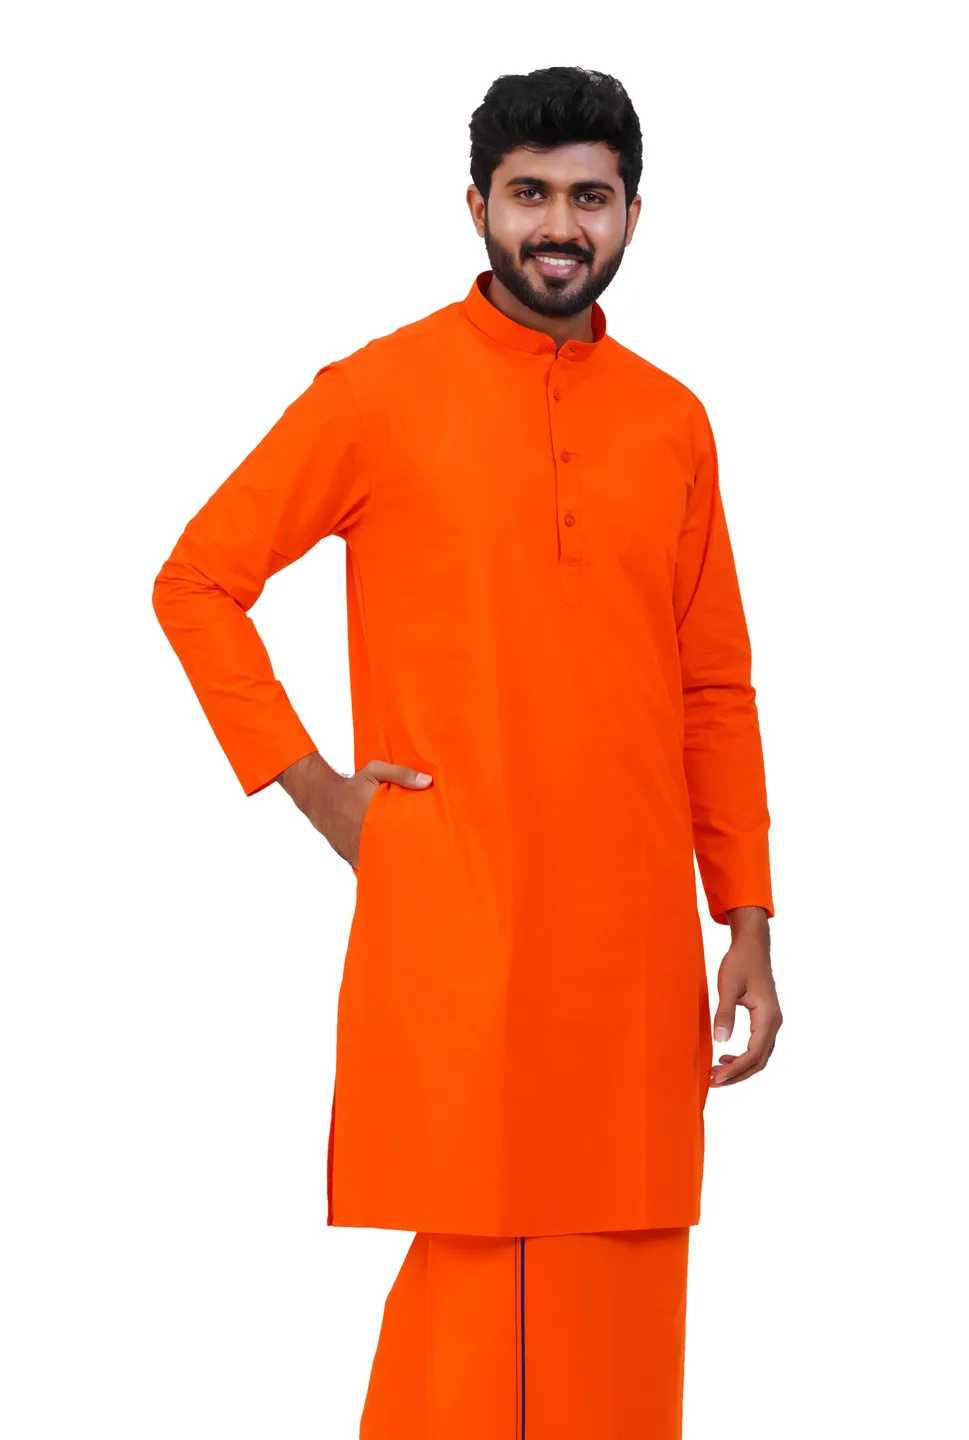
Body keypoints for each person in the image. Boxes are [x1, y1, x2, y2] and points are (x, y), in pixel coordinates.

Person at [152, 63, 783, 1440]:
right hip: (465, 916)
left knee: (624, 1277)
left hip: (633, 941)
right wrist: (320, 793)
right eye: (530, 194)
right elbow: (196, 582)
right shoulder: (378, 394)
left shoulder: (671, 419)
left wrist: (744, 911)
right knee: (478, 1286)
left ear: (632, 213)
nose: (560, 225)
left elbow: (712, 684)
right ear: (478, 207)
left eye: (590, 197)